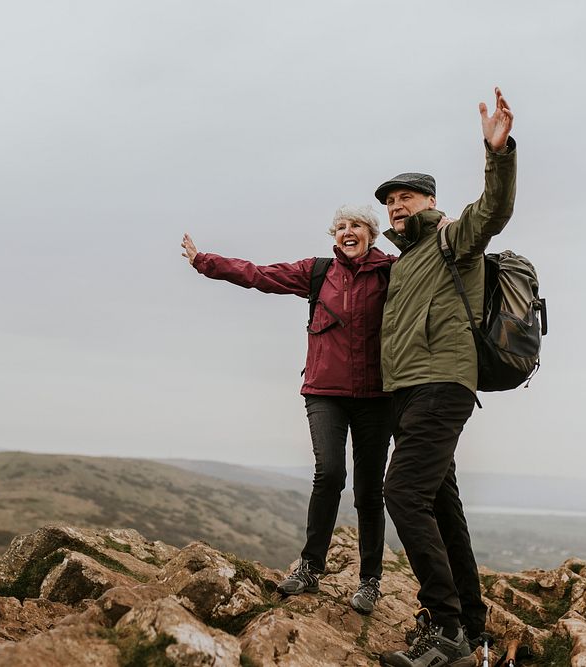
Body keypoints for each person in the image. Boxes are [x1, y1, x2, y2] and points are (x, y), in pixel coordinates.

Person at [181, 205, 396, 613]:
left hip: (376, 397)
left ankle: (370, 580)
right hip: (324, 392)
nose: (348, 232)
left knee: (370, 490)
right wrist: (205, 262)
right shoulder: (317, 272)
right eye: (341, 227)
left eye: (357, 226)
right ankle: (311, 567)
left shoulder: (393, 272)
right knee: (329, 473)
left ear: (371, 233)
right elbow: (259, 275)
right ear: (335, 236)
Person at [374, 87, 516, 667]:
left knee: (402, 494)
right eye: (389, 202)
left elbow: (494, 211)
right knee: (440, 504)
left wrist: (498, 154)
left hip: (441, 386)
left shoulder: (450, 238)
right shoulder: (404, 261)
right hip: (411, 394)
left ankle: (445, 630)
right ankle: (472, 628)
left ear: (429, 199)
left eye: (404, 197)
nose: (395, 207)